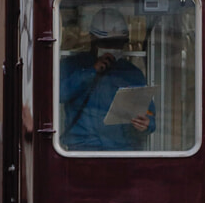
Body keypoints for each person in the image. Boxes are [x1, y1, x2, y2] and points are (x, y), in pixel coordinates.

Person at [60, 8, 154, 150]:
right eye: (108, 43)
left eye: (119, 43)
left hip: (123, 151)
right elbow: (59, 94)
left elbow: (148, 112)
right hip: (83, 150)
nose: (113, 48)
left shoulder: (132, 73)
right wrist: (91, 72)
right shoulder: (73, 65)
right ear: (93, 39)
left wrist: (147, 124)